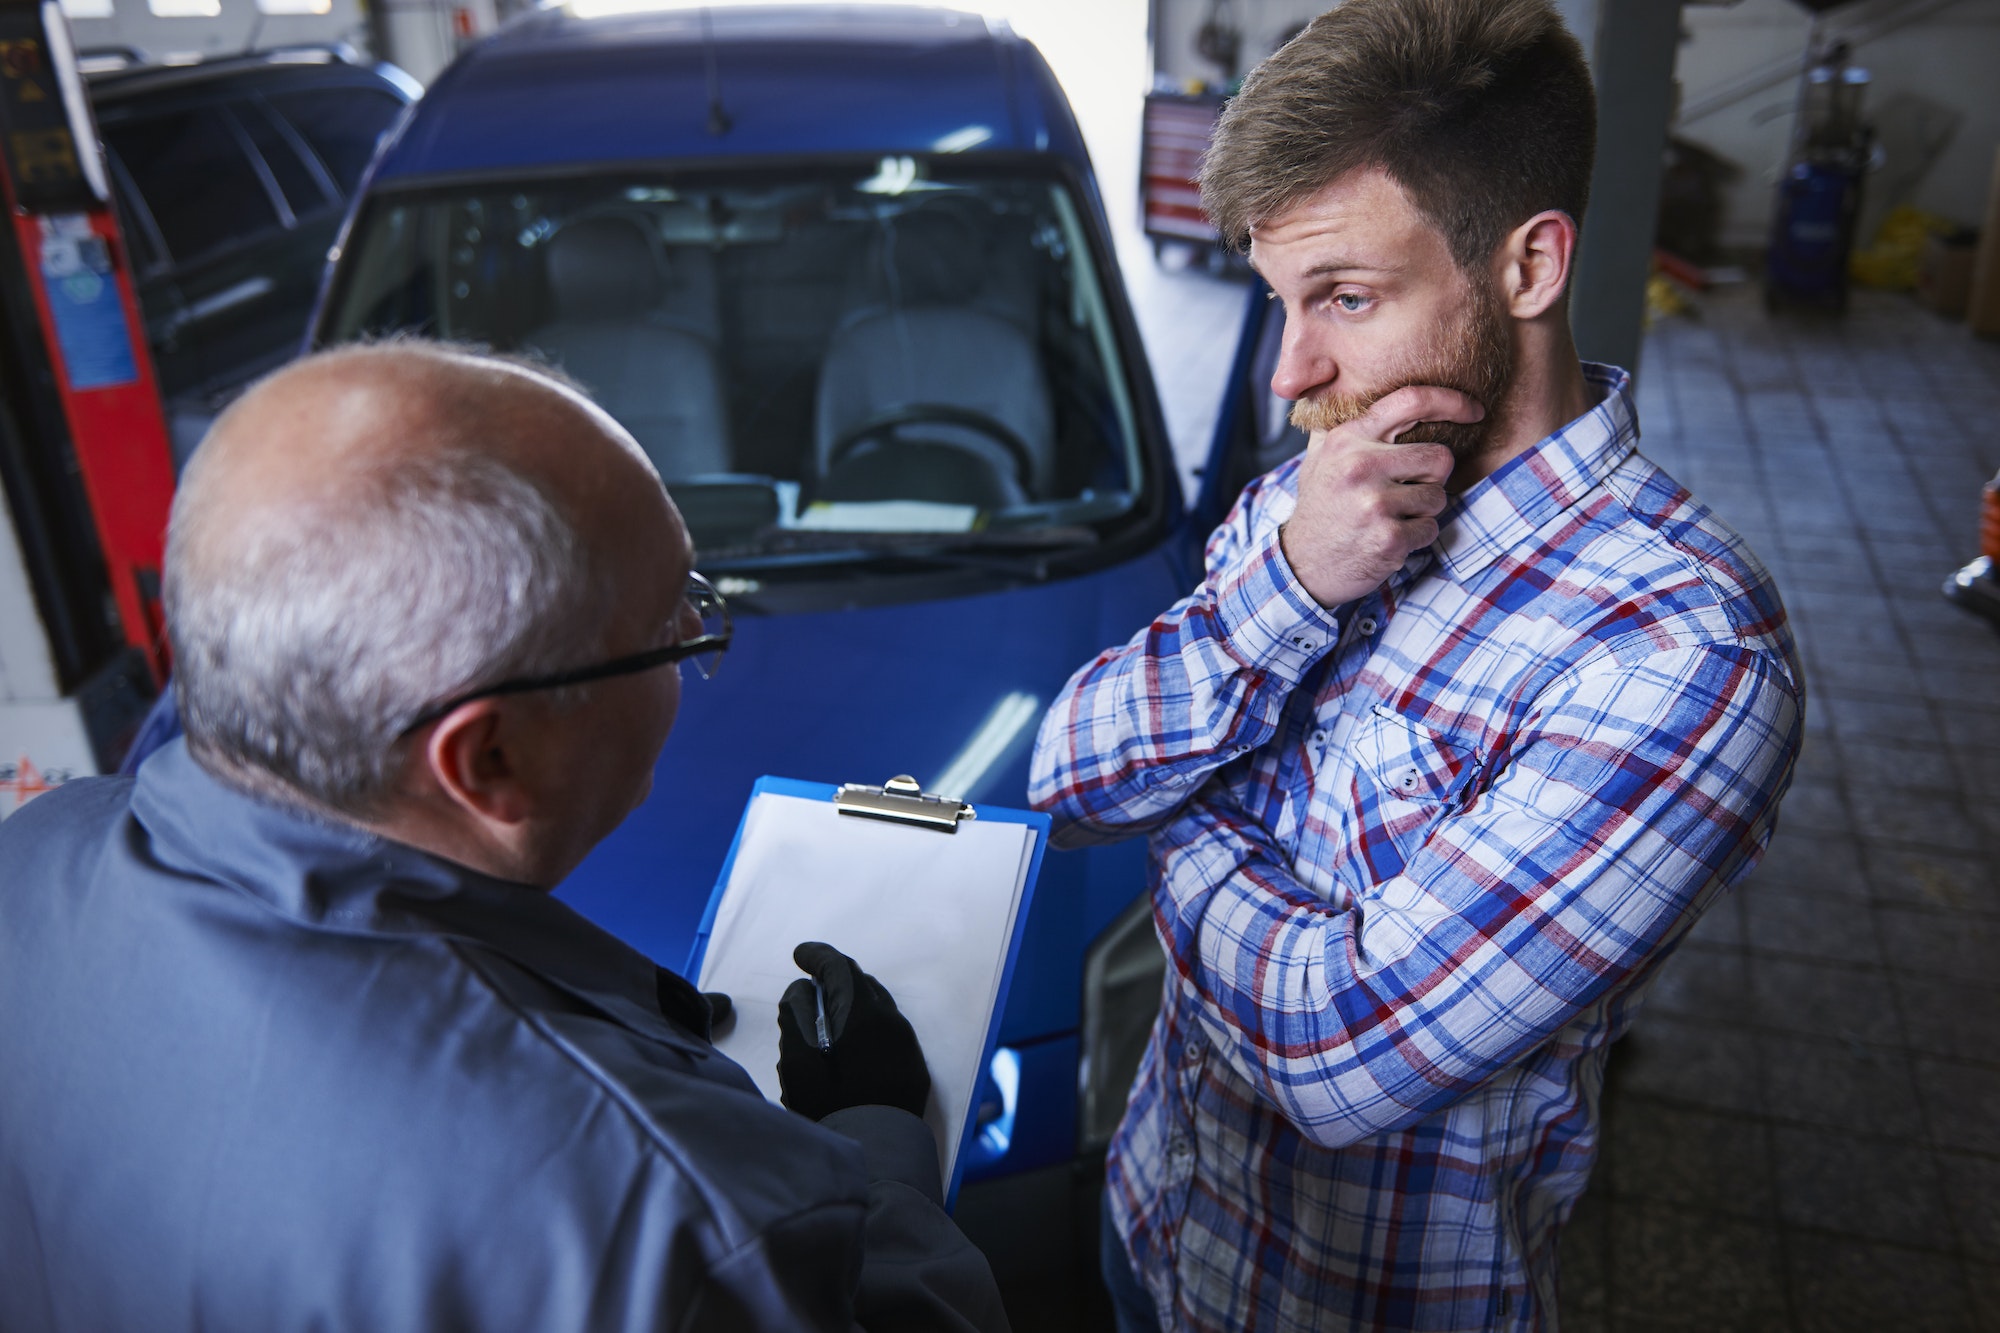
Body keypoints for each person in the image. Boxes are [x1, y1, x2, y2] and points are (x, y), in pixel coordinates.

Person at [1029, 2, 1804, 1329]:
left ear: (1530, 267)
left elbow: (1337, 1057)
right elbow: (1071, 778)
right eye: (1281, 302)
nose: (1291, 375)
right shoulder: (1317, 500)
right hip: (1156, 1222)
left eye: (1345, 297)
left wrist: (1186, 827)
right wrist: (1285, 592)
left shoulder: (1682, 651)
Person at [0, 342, 1009, 1332]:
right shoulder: (671, 1217)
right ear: (485, 761)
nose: (693, 654)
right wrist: (875, 1145)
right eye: (673, 628)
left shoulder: (33, 859)